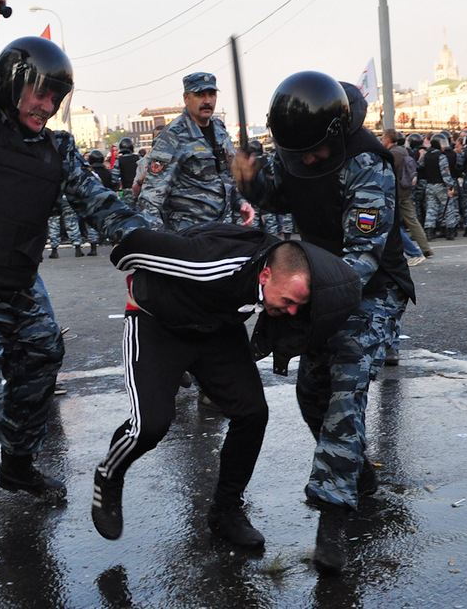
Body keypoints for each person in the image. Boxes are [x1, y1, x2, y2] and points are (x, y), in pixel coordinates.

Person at [0, 0, 149, 569]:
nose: (47, 103)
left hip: (19, 286)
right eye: (39, 89)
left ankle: (18, 464)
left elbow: (101, 204)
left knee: (42, 355)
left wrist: (155, 242)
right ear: (11, 82)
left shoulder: (58, 150)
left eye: (57, 94)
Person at [232, 70, 414, 574]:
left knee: (343, 382)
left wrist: (302, 290)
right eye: (297, 154)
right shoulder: (296, 149)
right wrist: (252, 181)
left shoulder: (365, 162)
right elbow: (283, 195)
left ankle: (332, 517)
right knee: (310, 392)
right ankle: (355, 470)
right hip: (315, 284)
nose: (307, 161)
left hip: (371, 287)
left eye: (315, 152)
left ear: (333, 136)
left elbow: (363, 258)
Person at [92, 222, 360, 549]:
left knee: (252, 413)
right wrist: (133, 273)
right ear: (264, 277)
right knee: (150, 425)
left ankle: (226, 511)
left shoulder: (278, 267)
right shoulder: (210, 263)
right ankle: (109, 474)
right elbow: (132, 244)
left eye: (297, 307)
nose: (291, 310)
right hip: (157, 325)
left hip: (216, 329)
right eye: (289, 301)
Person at [132, 72, 253, 231]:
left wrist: (241, 203)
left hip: (220, 229)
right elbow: (150, 198)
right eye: (200, 95)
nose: (207, 101)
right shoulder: (172, 137)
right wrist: (162, 242)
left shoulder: (220, 131)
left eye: (212, 94)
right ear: (186, 98)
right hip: (187, 233)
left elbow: (225, 178)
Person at [382, 129, 431, 256]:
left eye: (383, 139)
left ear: (387, 140)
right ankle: (425, 247)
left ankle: (405, 251)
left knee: (389, 222)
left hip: (394, 191)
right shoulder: (403, 151)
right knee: (412, 220)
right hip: (405, 190)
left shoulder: (391, 154)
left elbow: (388, 173)